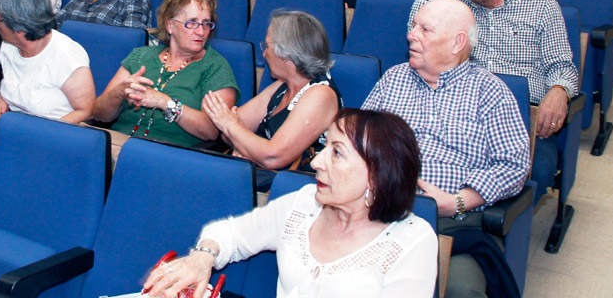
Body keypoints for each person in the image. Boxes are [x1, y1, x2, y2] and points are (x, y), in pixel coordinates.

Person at [143, 108, 437, 298]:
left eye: (337, 153)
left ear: (376, 175)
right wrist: (202, 257)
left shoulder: (412, 240)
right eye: (324, 147)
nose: (317, 161)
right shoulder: (304, 205)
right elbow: (231, 233)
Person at [362, 0, 529, 298]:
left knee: (461, 291)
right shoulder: (393, 79)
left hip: (450, 224)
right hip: (378, 212)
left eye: (424, 29)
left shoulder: (490, 92)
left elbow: (514, 165)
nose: (411, 35)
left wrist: (457, 202)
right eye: (414, 27)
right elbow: (358, 142)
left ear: (457, 43)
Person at [416, 0, 578, 198]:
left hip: (523, 117)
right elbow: (418, 38)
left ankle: (495, 221)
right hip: (464, 113)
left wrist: (559, 90)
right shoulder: (459, 10)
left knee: (538, 171)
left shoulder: (541, 6)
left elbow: (561, 65)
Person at [92, 0, 239, 147]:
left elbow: (210, 131)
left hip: (167, 153)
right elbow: (99, 114)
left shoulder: (215, 67)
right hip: (118, 142)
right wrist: (120, 92)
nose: (201, 31)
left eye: (206, 23)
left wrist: (165, 103)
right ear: (170, 25)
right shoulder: (141, 56)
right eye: (192, 23)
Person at [205, 10, 341, 173]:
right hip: (264, 175)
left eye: (267, 46)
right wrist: (247, 145)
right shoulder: (283, 84)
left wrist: (232, 127)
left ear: (287, 54)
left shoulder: (320, 94)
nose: (263, 53)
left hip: (294, 186)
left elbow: (272, 156)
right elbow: (228, 135)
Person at [0, 0, 94, 123]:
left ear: (18, 29)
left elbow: (86, 110)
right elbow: (13, 81)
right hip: (16, 125)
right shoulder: (9, 45)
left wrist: (45, 134)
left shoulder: (67, 56)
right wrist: (2, 98)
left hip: (55, 130)